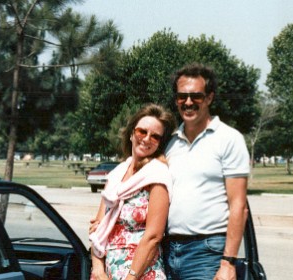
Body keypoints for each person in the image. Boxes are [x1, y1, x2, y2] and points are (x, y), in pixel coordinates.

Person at [163, 63, 250, 280]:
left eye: (196, 96)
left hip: (207, 253)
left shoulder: (229, 139)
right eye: (182, 96)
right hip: (166, 250)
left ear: (209, 98)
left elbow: (238, 205)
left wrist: (228, 262)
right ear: (176, 100)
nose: (189, 102)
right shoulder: (169, 142)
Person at [89, 104, 177, 280]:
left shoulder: (157, 176)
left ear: (160, 143)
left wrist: (130, 278)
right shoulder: (116, 176)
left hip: (142, 273)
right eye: (142, 132)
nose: (146, 139)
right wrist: (98, 269)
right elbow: (97, 228)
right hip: (108, 271)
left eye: (155, 136)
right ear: (131, 134)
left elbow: (153, 236)